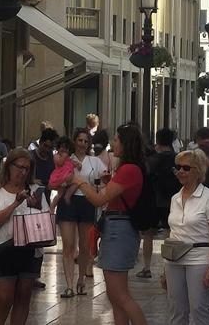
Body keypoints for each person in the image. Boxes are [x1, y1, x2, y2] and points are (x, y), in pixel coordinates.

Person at [70, 123, 149, 325]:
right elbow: (112, 195)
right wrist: (108, 183)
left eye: (116, 139)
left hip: (119, 229)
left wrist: (80, 182)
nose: (113, 143)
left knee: (119, 294)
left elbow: (98, 200)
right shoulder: (131, 168)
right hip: (118, 227)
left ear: (125, 143)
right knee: (115, 296)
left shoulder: (129, 169)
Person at [0, 148, 48, 325]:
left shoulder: (35, 190)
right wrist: (16, 203)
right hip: (4, 250)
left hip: (30, 251)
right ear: (9, 166)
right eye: (19, 167)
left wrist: (35, 207)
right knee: (4, 297)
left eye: (27, 168)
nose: (23, 172)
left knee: (23, 296)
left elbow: (45, 222)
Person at [159, 148, 209, 325]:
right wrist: (165, 268)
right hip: (174, 259)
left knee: (199, 309)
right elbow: (173, 232)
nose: (180, 171)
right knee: (176, 311)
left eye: (186, 168)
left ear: (198, 171)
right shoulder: (175, 198)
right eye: (177, 167)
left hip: (199, 259)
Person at [55, 128, 104, 297]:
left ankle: (81, 279)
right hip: (68, 201)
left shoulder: (95, 161)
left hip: (87, 201)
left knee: (85, 245)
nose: (82, 143)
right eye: (80, 140)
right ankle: (69, 284)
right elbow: (56, 177)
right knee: (68, 245)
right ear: (74, 141)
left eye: (85, 141)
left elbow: (103, 179)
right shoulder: (66, 159)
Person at [139, 128, 179, 279]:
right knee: (170, 234)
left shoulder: (154, 160)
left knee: (148, 234)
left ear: (158, 141)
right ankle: (167, 268)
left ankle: (146, 267)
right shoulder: (177, 159)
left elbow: (146, 176)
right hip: (172, 201)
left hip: (154, 200)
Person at [29, 128, 57, 199]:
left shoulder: (52, 157)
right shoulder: (30, 156)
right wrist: (31, 180)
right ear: (40, 142)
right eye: (45, 146)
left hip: (47, 197)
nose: (47, 150)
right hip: (31, 197)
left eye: (50, 147)